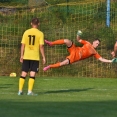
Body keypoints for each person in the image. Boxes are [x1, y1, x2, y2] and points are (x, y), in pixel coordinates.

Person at [43, 31, 113, 71]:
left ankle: (49, 66)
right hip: (75, 49)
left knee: (62, 63)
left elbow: (101, 59)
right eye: (97, 43)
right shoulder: (87, 43)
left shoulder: (94, 52)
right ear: (93, 42)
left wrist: (110, 61)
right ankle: (51, 43)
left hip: (75, 57)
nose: (97, 45)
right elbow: (78, 39)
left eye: (98, 44)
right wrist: (78, 34)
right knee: (67, 41)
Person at [18, 18, 46, 95]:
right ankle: (29, 91)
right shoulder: (40, 33)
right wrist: (43, 57)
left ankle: (20, 90)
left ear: (31, 23)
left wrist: (21, 55)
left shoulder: (26, 32)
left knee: (23, 73)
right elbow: (41, 46)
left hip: (26, 56)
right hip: (35, 56)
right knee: (32, 74)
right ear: (38, 24)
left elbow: (22, 45)